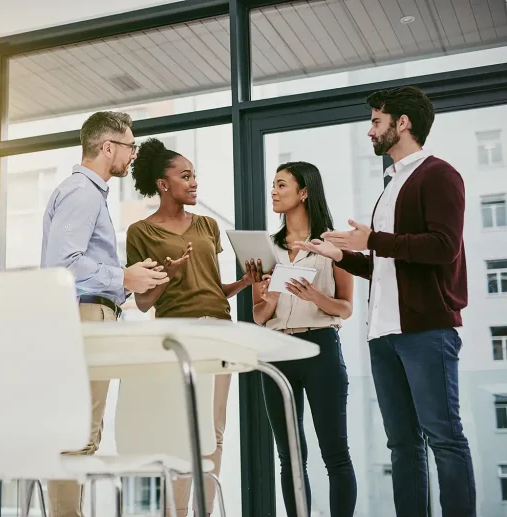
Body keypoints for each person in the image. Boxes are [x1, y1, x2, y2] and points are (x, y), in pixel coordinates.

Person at [295, 86, 476, 517]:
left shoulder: (439, 175)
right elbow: (388, 266)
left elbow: (443, 247)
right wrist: (342, 255)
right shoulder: (391, 184)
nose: (370, 130)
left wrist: (372, 239)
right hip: (384, 334)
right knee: (402, 445)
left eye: (377, 121)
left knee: (445, 439)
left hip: (426, 332)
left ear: (403, 123)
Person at [41, 111, 170, 517]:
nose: (133, 154)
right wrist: (124, 277)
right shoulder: (82, 192)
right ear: (107, 146)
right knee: (76, 434)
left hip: (88, 315)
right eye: (130, 145)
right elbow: (64, 264)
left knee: (79, 432)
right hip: (86, 316)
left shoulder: (86, 192)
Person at [125, 138, 254, 517]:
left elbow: (212, 290)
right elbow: (144, 301)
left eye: (195, 175)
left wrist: (244, 283)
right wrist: (168, 275)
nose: (194, 182)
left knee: (214, 429)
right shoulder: (141, 232)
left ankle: (204, 512)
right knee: (181, 430)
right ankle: (176, 513)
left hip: (219, 331)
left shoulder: (208, 226)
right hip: (177, 336)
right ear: (164, 184)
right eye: (186, 176)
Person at [246, 161, 356, 517]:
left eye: (281, 185)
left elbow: (345, 307)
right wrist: (270, 299)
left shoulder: (332, 244)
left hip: (320, 348)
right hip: (277, 351)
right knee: (290, 455)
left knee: (335, 453)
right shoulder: (267, 248)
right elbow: (258, 317)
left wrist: (314, 297)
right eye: (273, 185)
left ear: (304, 192)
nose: (273, 192)